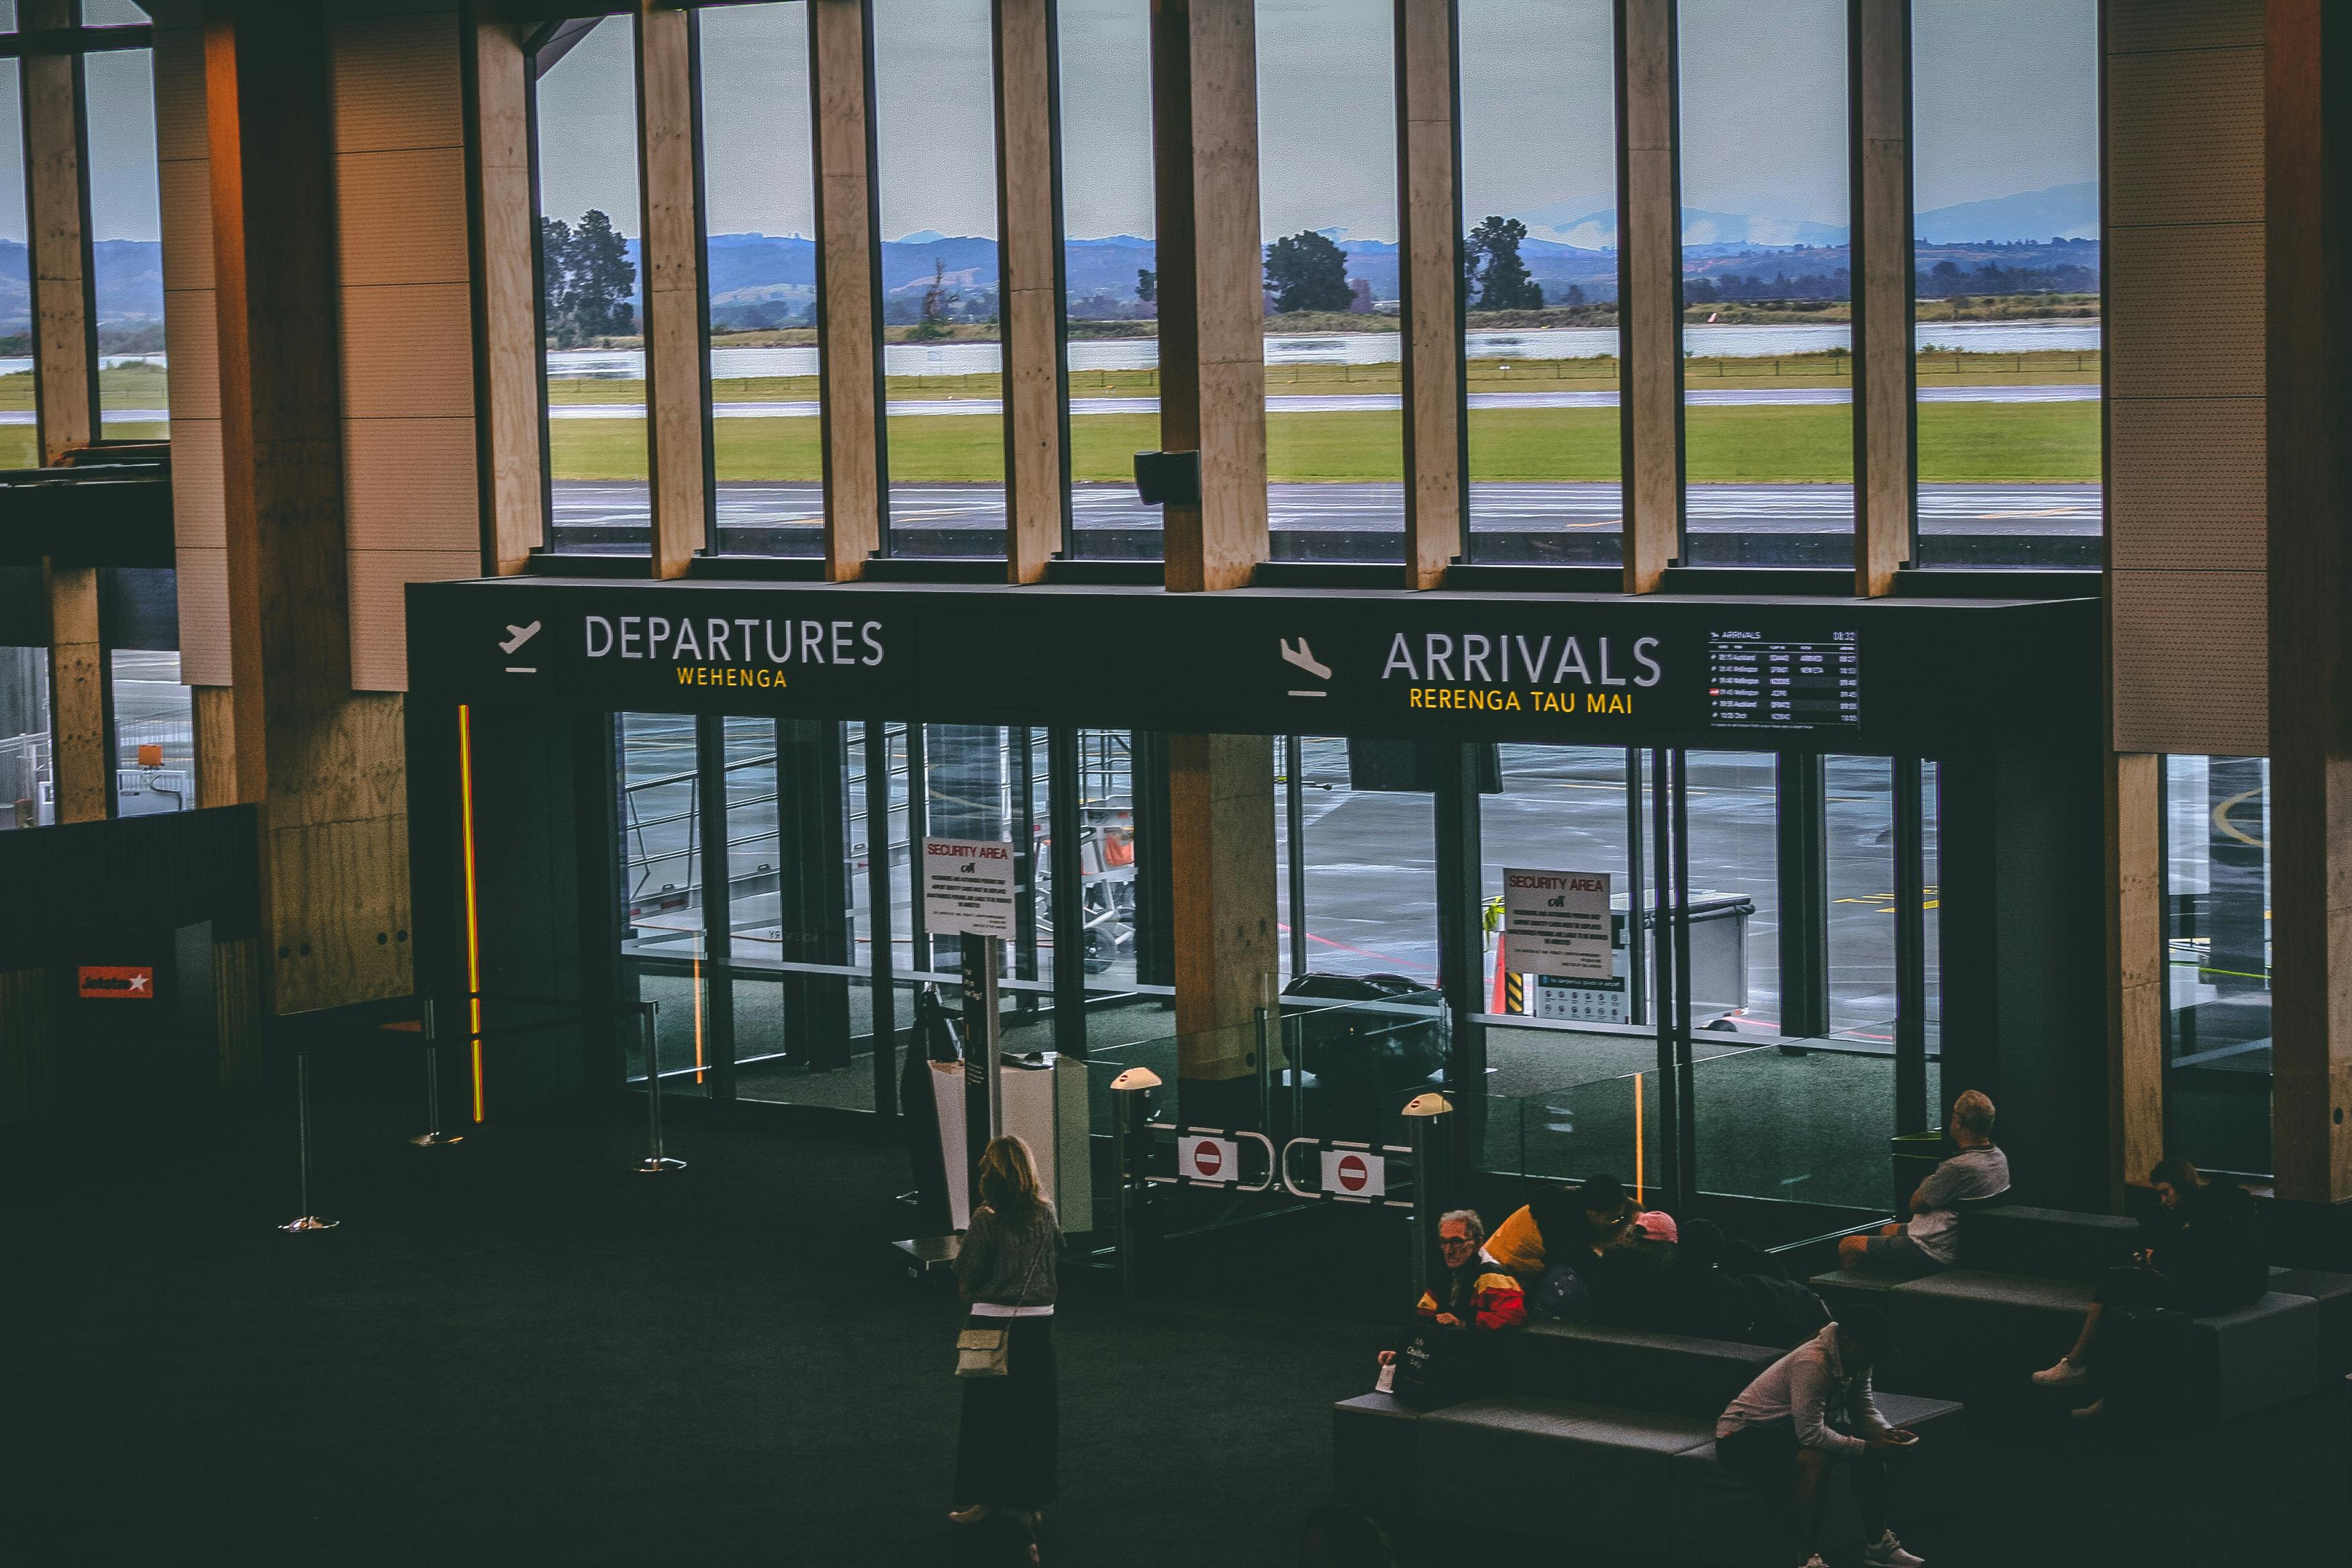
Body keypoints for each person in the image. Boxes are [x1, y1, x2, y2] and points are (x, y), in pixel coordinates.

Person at [2028, 1157, 2267, 1420]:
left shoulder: (2209, 1212)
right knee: (2121, 1293)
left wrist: (2158, 1258)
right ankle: (2108, 1393)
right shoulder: (2194, 1210)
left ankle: (2078, 1365)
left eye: (2166, 1192)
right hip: (2203, 1288)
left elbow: (2203, 1261)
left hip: (2210, 1296)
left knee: (2116, 1285)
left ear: (2181, 1185)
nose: (2163, 1200)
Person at [1714, 1306, 1927, 1568]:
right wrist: (1868, 1447)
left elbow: (1863, 1407)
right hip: (1743, 1435)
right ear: (1849, 1342)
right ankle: (1806, 1559)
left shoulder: (1859, 1358)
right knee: (1816, 1456)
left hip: (1788, 1428)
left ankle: (1878, 1545)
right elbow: (1811, 1435)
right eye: (1873, 1351)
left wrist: (1884, 1433)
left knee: (1875, 1446)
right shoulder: (1812, 1363)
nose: (1876, 1359)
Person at [950, 1136, 1061, 1540]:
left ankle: (986, 1499)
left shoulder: (987, 1218)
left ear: (992, 1173)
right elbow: (1054, 1261)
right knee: (1031, 1416)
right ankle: (1029, 1503)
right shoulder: (1046, 1213)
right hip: (1037, 1328)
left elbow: (968, 1271)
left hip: (992, 1326)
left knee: (987, 1419)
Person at [1839, 1090, 2010, 1277]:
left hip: (1934, 1247)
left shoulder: (1958, 1167)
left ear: (1958, 1122)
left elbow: (1916, 1203)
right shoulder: (1998, 1158)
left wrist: (1928, 1181)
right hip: (1952, 1236)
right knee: (1886, 1229)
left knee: (1849, 1245)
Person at [1377, 1210, 1526, 1391]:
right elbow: (1424, 1318)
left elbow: (1515, 1315)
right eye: (1444, 1242)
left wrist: (1463, 1322)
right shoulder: (1444, 1273)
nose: (1449, 1250)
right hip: (1449, 1357)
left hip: (1480, 1363)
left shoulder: (1491, 1275)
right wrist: (1399, 1351)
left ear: (1478, 1242)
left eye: (1457, 1241)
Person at [1485, 1175, 1634, 1318]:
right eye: (1613, 1218)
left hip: (1507, 1267)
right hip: (1503, 1278)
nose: (1616, 1222)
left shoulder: (1568, 1202)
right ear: (1592, 1212)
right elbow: (1587, 1268)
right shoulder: (1563, 1227)